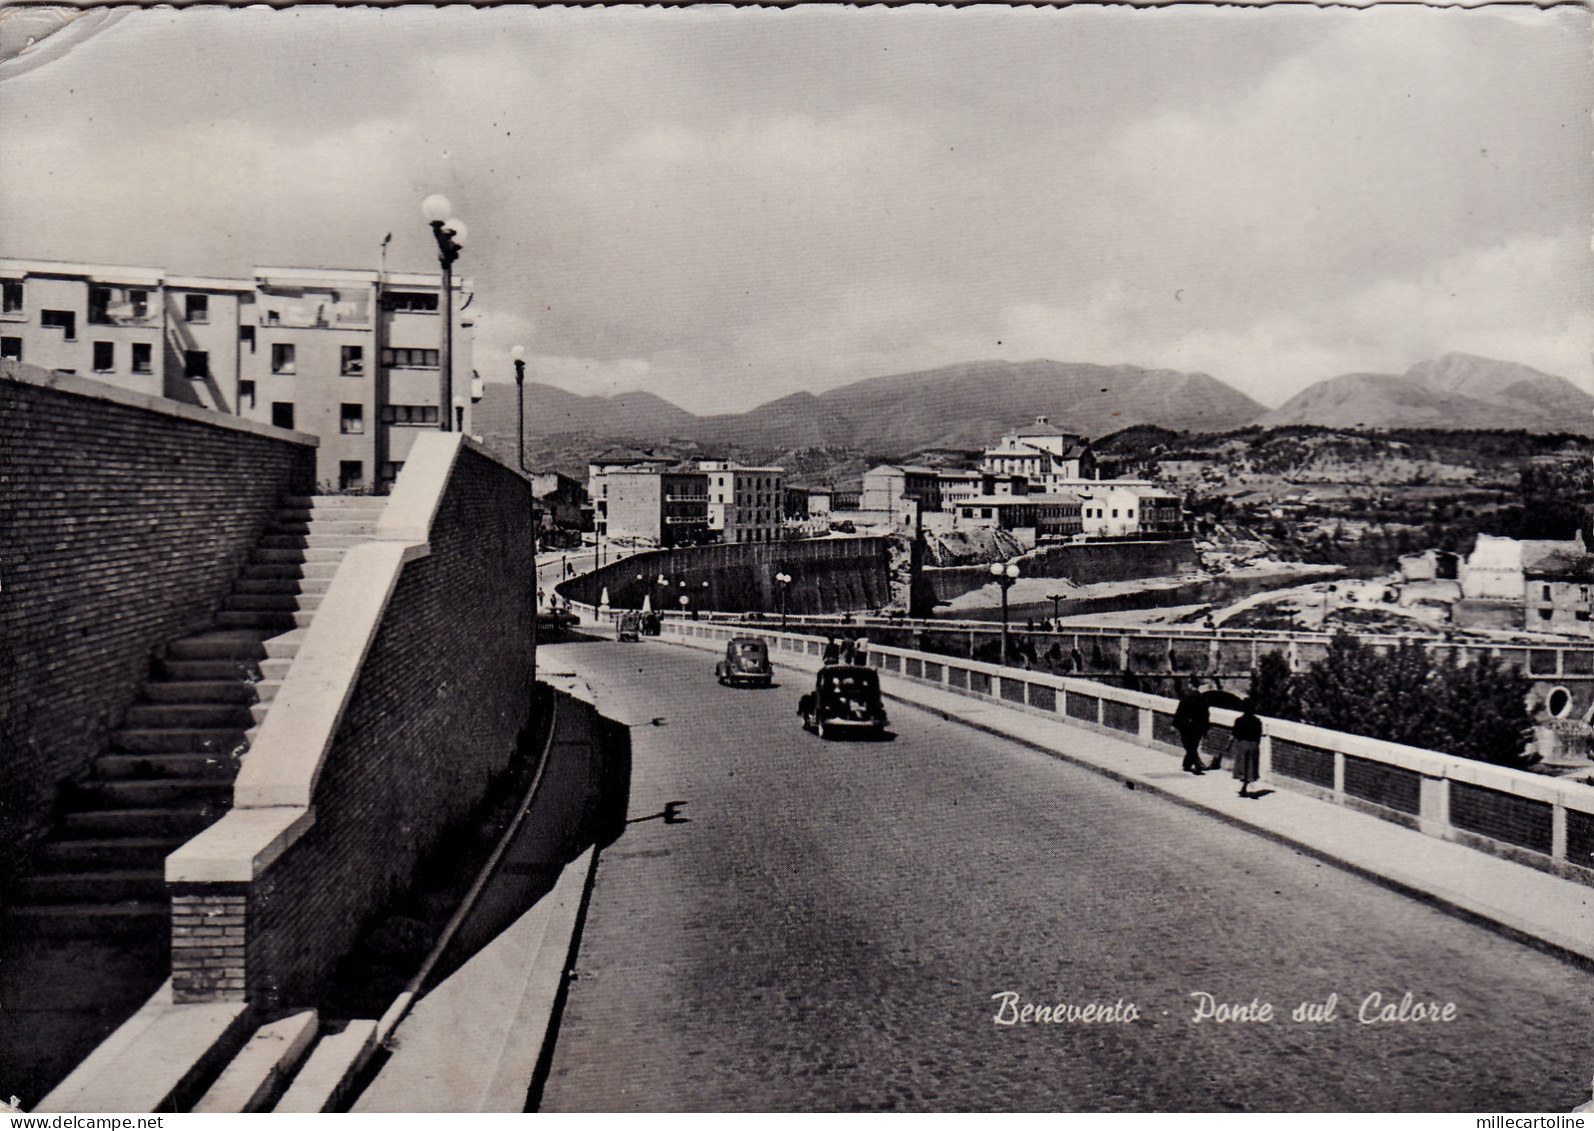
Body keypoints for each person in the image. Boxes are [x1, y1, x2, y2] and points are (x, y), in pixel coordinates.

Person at [1173, 678, 1210, 775]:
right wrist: (1206, 727)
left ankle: (1197, 764)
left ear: (1191, 685)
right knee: (1193, 745)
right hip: (1198, 726)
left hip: (1186, 726)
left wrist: (1175, 724)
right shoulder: (1203, 698)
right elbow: (1206, 715)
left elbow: (1180, 712)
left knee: (1189, 746)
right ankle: (1187, 765)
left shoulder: (1186, 697)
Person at [1231, 699, 1263, 798]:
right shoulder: (1257, 721)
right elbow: (1259, 735)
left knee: (1243, 766)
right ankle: (1250, 787)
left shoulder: (1239, 720)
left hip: (1242, 744)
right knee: (1251, 766)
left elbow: (1235, 734)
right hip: (1253, 745)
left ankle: (1245, 787)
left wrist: (1229, 745)